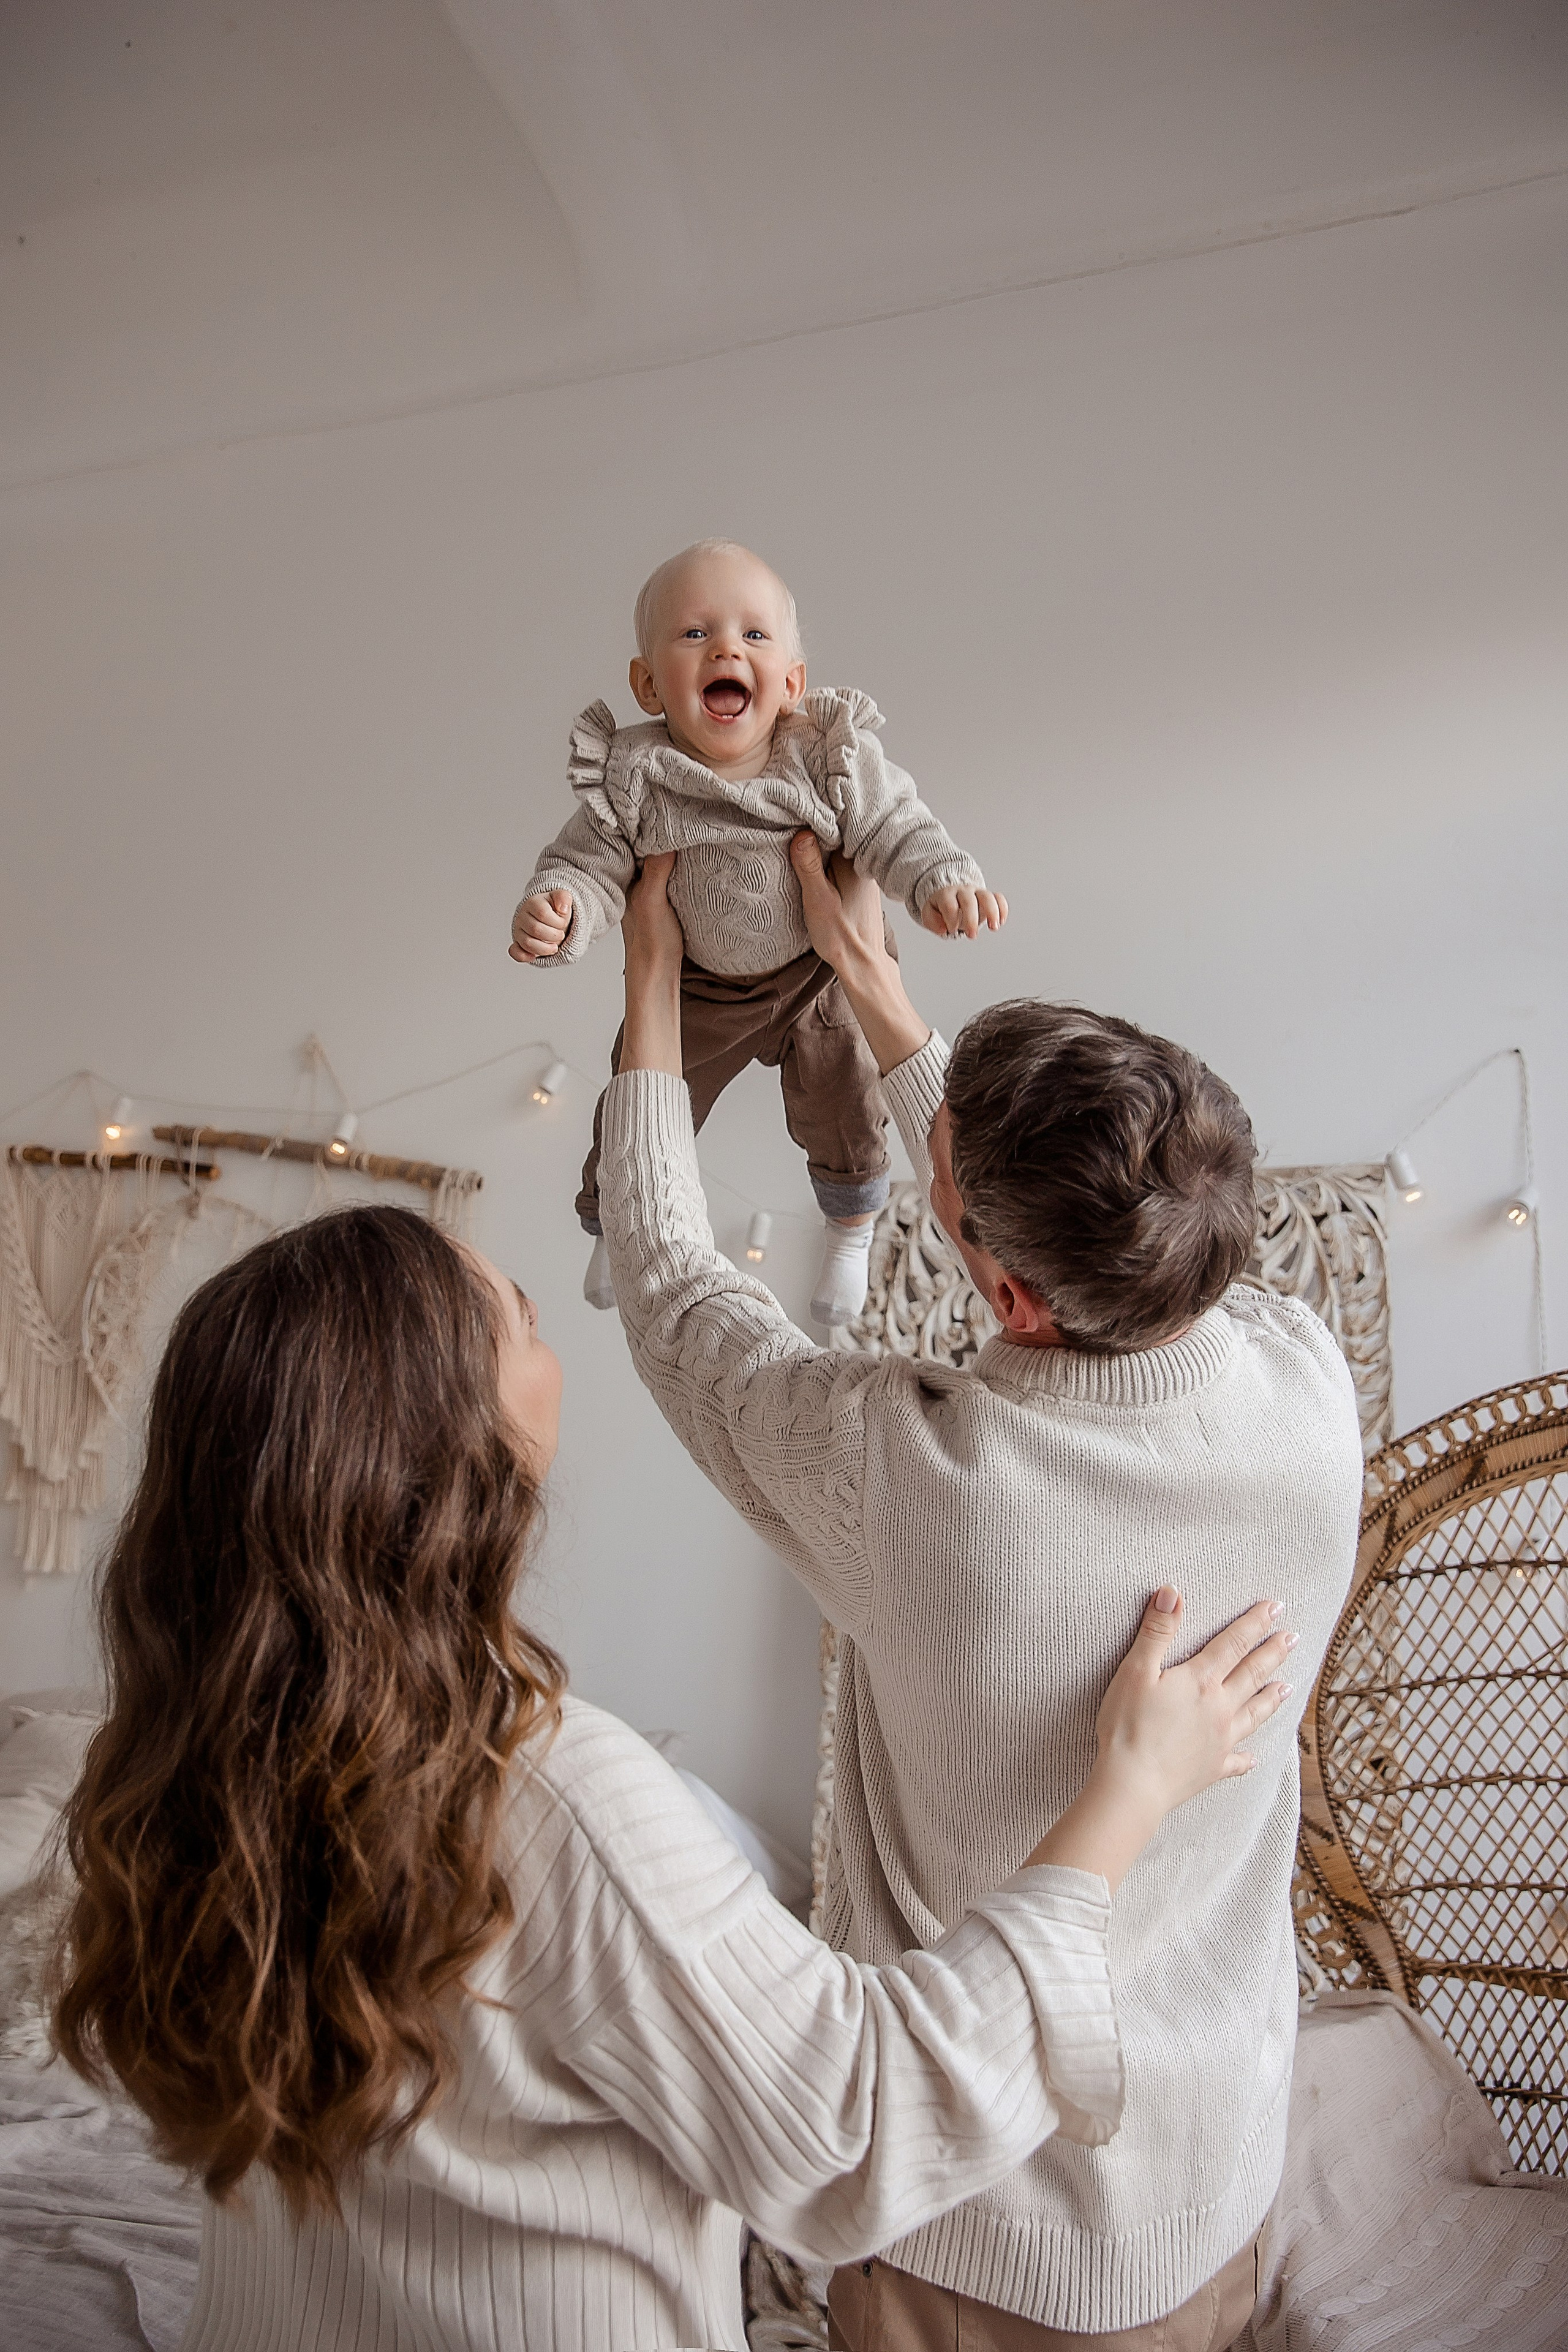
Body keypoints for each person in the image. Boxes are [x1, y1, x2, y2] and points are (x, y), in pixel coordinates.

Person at [48, 1201, 1291, 2352]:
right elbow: (857, 2124)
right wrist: (1128, 1792)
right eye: (519, 1318)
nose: (544, 1330)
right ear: (434, 1443)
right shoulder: (549, 1795)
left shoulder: (173, 1768)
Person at [597, 844, 1366, 2351]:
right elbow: (1097, 1256)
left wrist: (649, 990)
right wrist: (873, 986)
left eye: (938, 1187)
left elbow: (674, 1292)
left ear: (1004, 1294)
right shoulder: (1305, 1386)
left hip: (971, 2243)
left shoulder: (909, 1476)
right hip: (1214, 2188)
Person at [509, 537, 1006, 1325]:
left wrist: (939, 879)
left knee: (847, 1104)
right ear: (647, 684)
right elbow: (587, 863)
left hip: (819, 977)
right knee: (642, 1096)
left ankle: (851, 1231)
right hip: (699, 987)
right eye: (694, 633)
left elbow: (895, 825)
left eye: (753, 634)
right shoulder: (636, 773)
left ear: (792, 683)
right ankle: (617, 1222)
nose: (726, 649)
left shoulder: (825, 757)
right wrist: (560, 907)